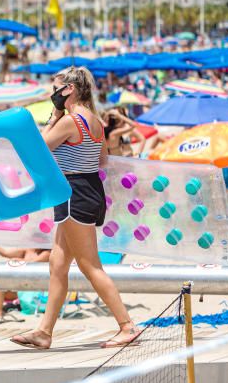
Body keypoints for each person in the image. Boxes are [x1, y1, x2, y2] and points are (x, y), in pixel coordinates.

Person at [11, 67, 138, 350]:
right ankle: (44, 331)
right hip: (88, 190)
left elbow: (39, 148)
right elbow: (102, 160)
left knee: (90, 265)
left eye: (54, 88)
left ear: (68, 90)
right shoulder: (93, 120)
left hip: (74, 194)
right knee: (58, 263)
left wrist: (54, 117)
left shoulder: (70, 121)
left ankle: (126, 326)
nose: (51, 94)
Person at [0, 247, 50, 318]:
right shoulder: (28, 250)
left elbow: (33, 262)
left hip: (29, 291)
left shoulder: (47, 253)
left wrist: (19, 260)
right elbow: (5, 253)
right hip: (18, 285)